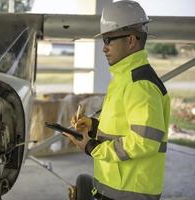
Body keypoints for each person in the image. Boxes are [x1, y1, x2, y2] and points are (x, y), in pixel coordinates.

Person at [64, 1, 170, 200]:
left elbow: (144, 142)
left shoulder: (140, 85)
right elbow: (122, 128)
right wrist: (93, 126)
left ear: (130, 40)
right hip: (115, 188)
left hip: (130, 192)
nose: (104, 48)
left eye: (108, 40)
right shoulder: (124, 79)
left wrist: (91, 147)